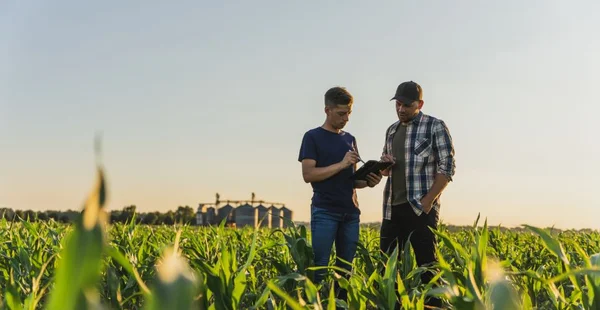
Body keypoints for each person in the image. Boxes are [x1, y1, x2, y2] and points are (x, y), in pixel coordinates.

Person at [298, 86, 383, 294]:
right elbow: (308, 175)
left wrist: (370, 181)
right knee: (320, 268)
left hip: (351, 213)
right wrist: (342, 164)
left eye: (349, 113)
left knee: (345, 271)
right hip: (325, 211)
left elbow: (351, 181)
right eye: (341, 114)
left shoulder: (350, 139)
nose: (346, 118)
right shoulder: (312, 137)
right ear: (327, 110)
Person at [379, 81, 456, 307]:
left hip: (421, 209)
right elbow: (385, 170)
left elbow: (447, 166)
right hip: (392, 208)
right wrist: (384, 165)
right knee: (388, 269)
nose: (401, 109)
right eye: (398, 104)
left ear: (419, 104)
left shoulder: (435, 126)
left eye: (406, 105)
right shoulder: (391, 130)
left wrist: (428, 201)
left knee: (427, 268)